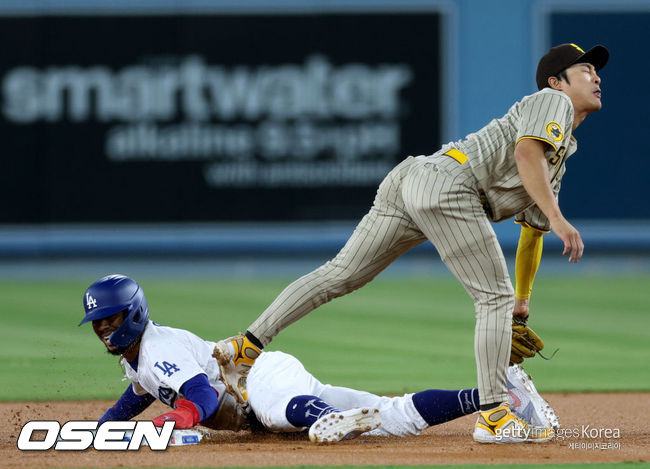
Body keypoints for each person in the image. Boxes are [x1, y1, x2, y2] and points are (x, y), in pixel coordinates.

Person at [215, 43, 608, 443]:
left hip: (416, 179)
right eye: (586, 70)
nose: (596, 77)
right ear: (557, 82)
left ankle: (246, 346)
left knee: (340, 274)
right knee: (493, 298)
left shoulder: (558, 152)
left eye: (597, 71)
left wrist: (522, 300)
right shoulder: (551, 101)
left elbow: (532, 231)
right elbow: (526, 152)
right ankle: (494, 416)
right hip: (451, 186)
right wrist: (559, 221)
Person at [81, 274, 558, 444]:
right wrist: (106, 424)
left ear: (135, 313)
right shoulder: (138, 356)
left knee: (273, 412)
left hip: (260, 376)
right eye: (99, 324)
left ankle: (332, 420)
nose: (104, 330)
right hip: (259, 385)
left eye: (109, 320)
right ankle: (497, 394)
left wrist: (181, 418)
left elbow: (202, 394)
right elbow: (138, 393)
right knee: (395, 416)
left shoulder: (158, 347)